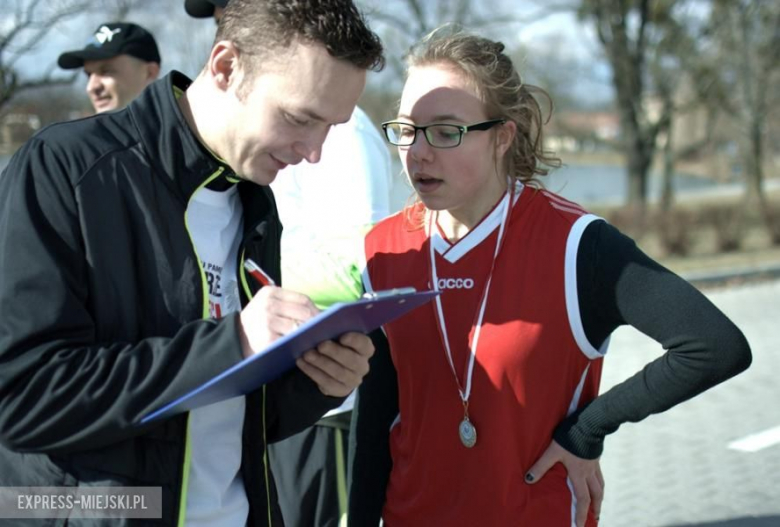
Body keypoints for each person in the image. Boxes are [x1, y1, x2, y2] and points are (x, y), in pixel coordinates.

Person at [348, 26, 752, 527]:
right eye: (407, 129)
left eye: (446, 131)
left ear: (502, 137)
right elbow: (375, 415)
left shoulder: (578, 244)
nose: (418, 152)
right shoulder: (383, 249)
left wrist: (587, 429)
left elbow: (715, 345)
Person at [0, 2, 384, 527]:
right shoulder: (67, 169)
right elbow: (21, 399)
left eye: (331, 128)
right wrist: (232, 344)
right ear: (226, 67)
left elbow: (222, 418)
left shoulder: (254, 199)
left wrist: (318, 384)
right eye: (300, 118)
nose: (313, 152)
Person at [184, 3, 394, 525]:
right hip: (250, 407)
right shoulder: (220, 160)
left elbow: (360, 265)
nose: (313, 150)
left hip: (316, 410)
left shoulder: (342, 133)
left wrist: (259, 315)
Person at [268, 105, 392, 527]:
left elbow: (358, 272)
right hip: (265, 398)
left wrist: (247, 274)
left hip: (323, 401)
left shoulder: (344, 130)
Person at [57, 22, 161, 113]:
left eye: (106, 71)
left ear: (150, 73)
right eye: (89, 75)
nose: (91, 87)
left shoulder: (175, 132)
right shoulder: (84, 134)